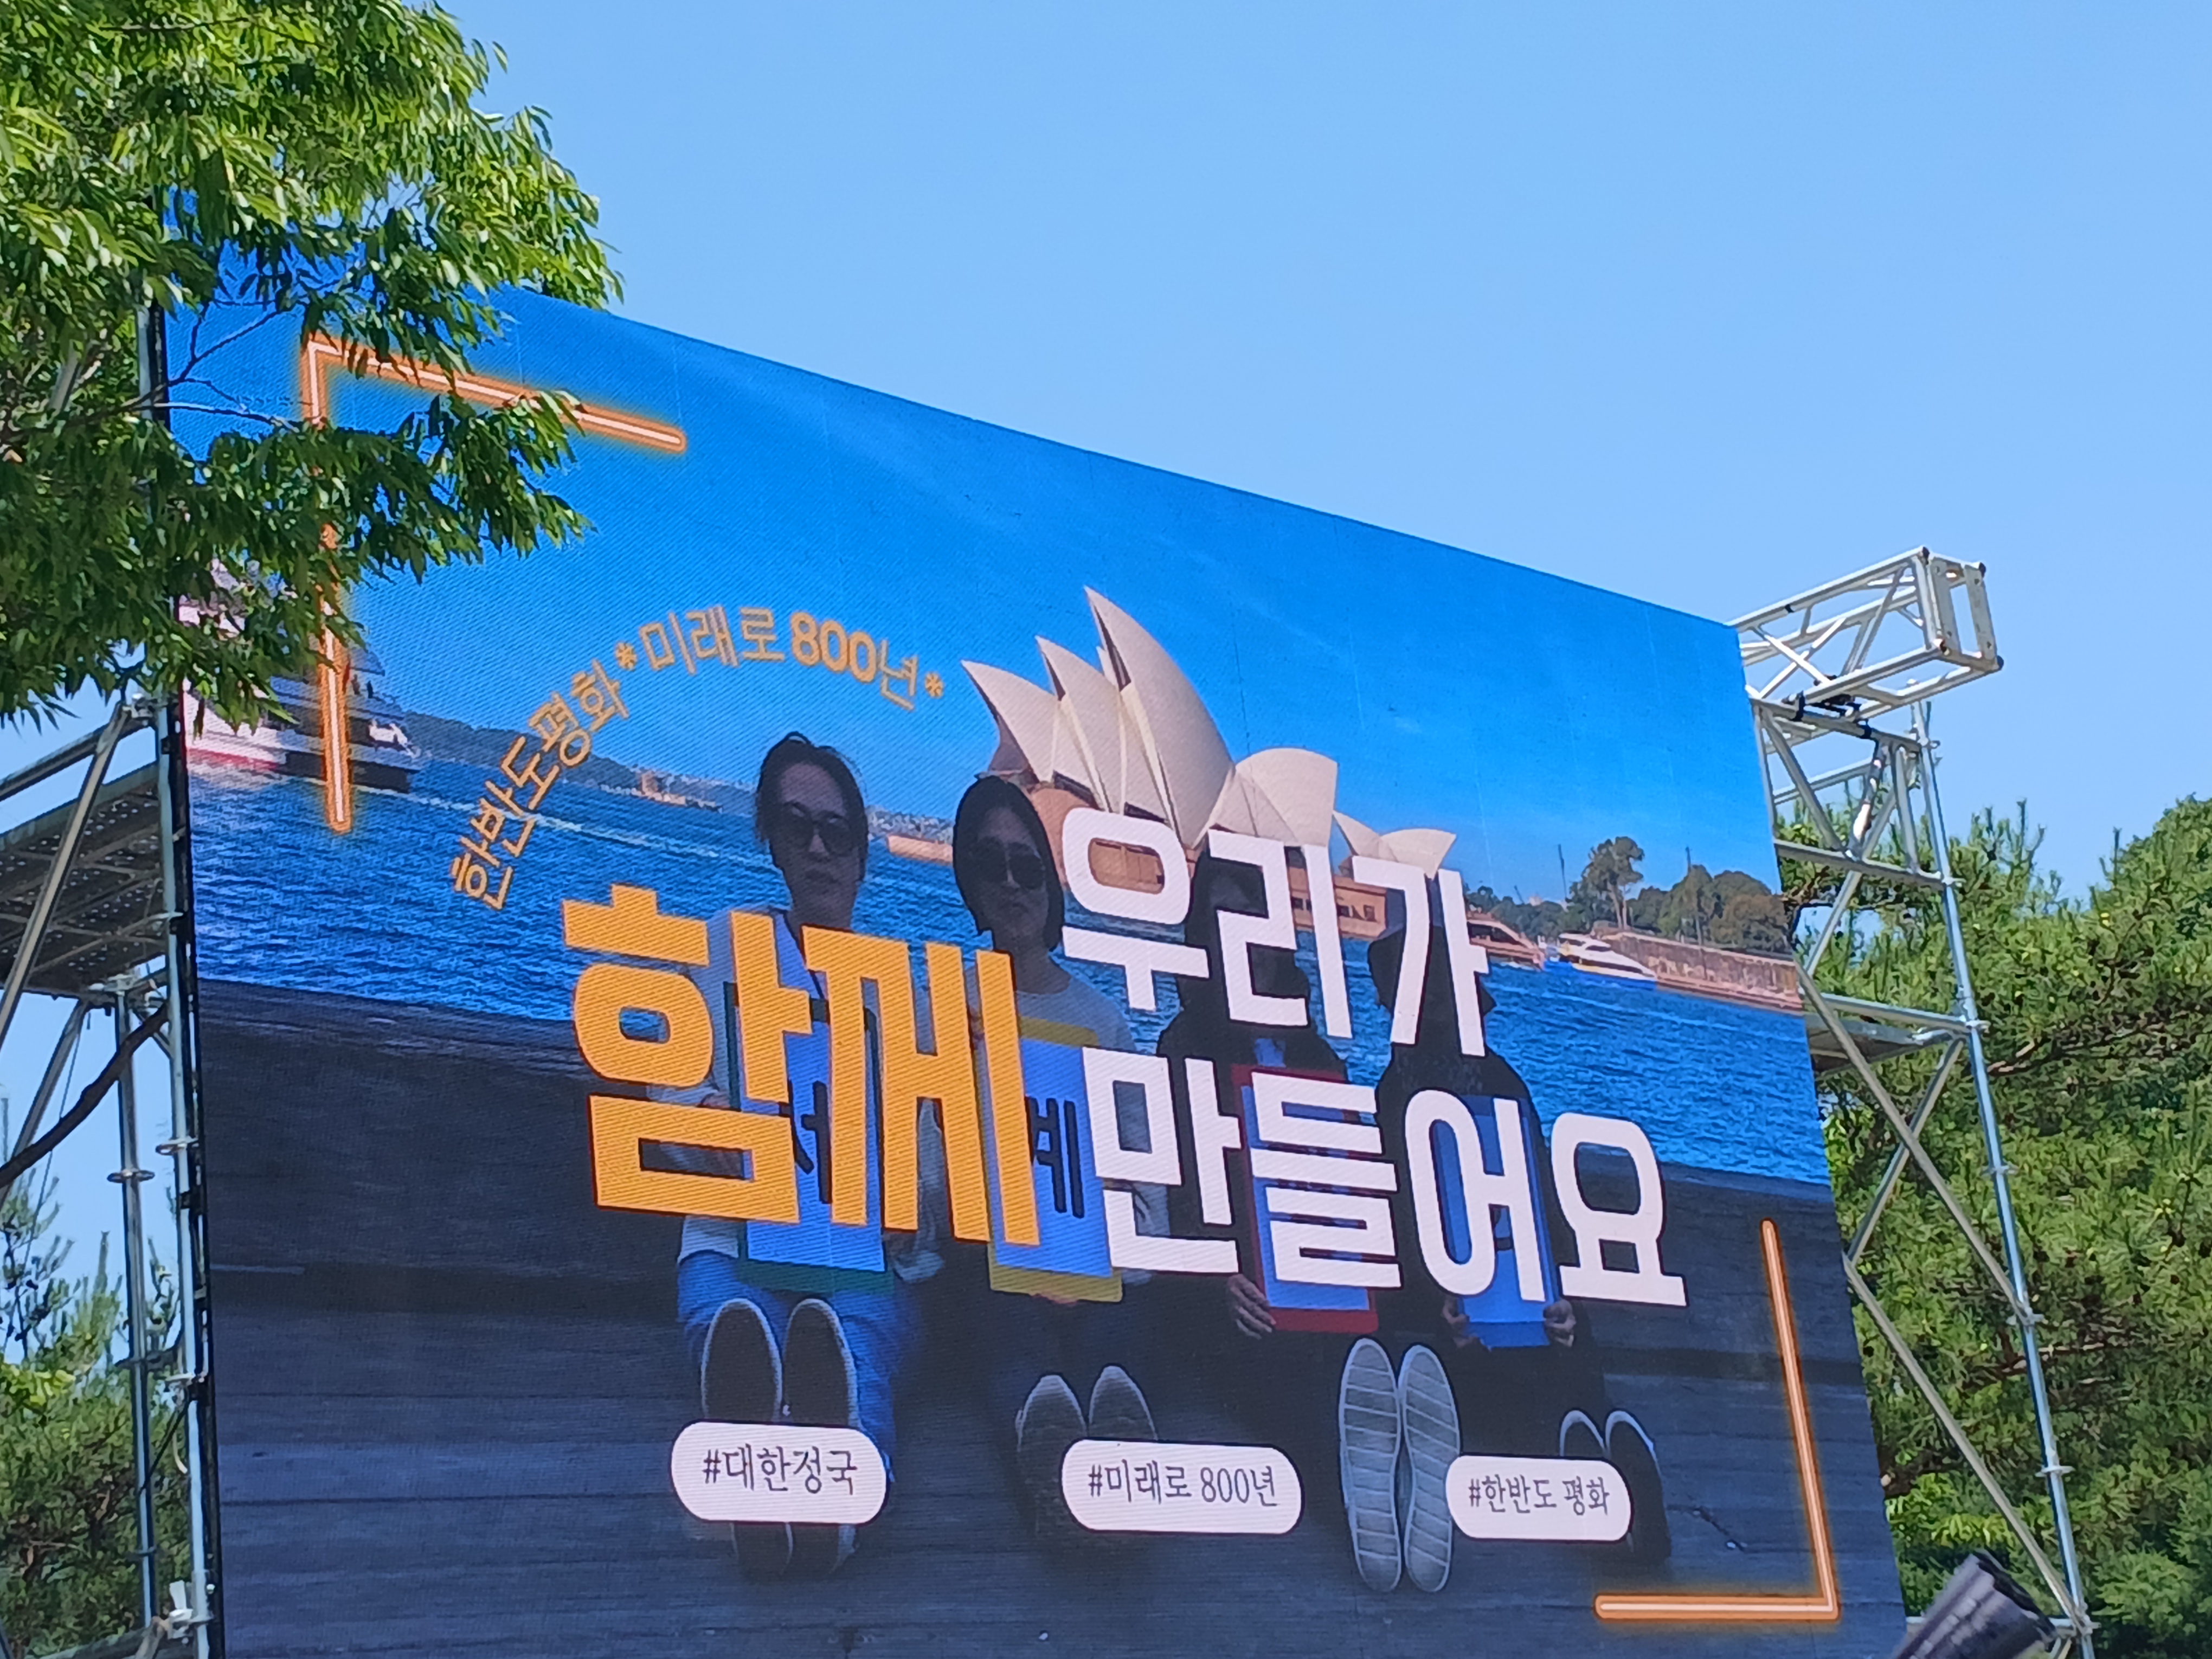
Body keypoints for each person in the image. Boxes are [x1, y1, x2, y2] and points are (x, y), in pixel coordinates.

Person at [676, 733, 930, 1580]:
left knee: (855, 1350)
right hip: (737, 1235)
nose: (818, 848)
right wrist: (707, 1119)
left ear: (861, 852)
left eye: (836, 831)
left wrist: (913, 1199)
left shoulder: (901, 993)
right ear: (773, 842)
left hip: (860, 1253)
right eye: (797, 827)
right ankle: (768, 1485)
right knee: (730, 1329)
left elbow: (934, 1143)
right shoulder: (726, 944)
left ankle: (842, 1502)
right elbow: (673, 1081)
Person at [1367, 917, 1670, 1568]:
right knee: (1509, 1378)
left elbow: (1539, 1206)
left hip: (1515, 1291)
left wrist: (1561, 1297)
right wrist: (1436, 1299)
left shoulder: (1465, 1087)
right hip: (1448, 1305)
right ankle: (1600, 1459)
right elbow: (1399, 1218)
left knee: (1552, 1348)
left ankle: (1597, 1451)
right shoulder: (1418, 1091)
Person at [949, 776, 1162, 1548]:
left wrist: (1093, 1259)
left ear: (1050, 881)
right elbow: (930, 1174)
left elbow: (1146, 1199)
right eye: (991, 864)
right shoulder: (944, 1006)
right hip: (990, 1257)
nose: (1011, 884)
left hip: (1093, 1261)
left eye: (1027, 866)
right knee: (1013, 1340)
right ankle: (1056, 1470)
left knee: (1113, 1347)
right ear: (969, 881)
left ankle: (1116, 1469)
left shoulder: (1103, 1023)